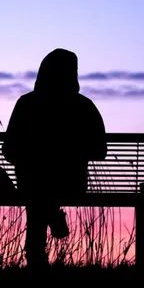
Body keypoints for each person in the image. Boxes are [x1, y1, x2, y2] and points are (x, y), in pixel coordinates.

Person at [2, 48, 107, 266]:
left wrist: (37, 154)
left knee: (36, 194)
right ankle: (51, 215)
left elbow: (9, 150)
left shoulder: (27, 103)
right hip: (70, 182)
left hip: (35, 183)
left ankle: (37, 256)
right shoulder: (83, 106)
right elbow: (100, 149)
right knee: (38, 191)